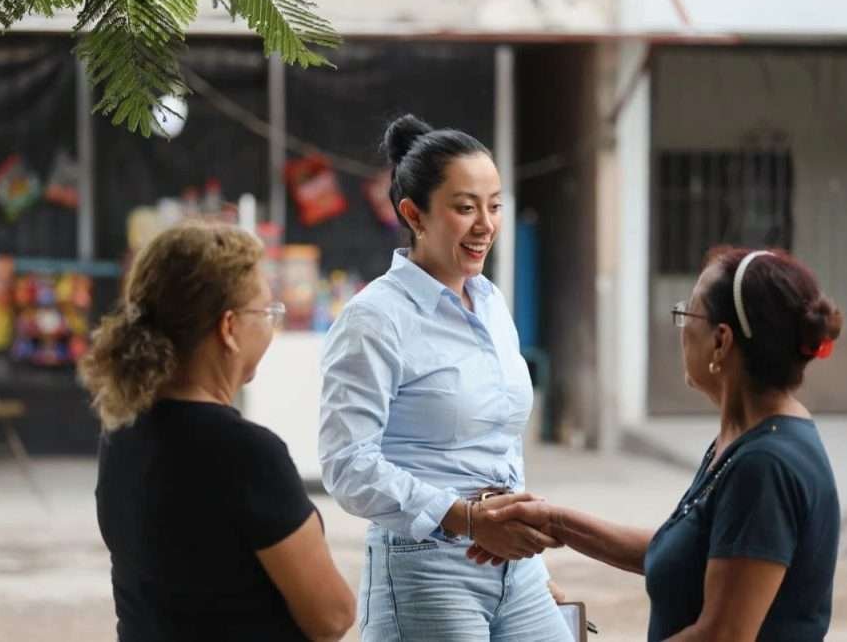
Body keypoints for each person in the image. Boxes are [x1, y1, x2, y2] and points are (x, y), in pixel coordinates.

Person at [483, 247, 842, 641]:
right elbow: (681, 553)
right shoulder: (743, 438)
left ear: (721, 341)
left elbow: (722, 635)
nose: (682, 329)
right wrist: (556, 523)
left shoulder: (767, 466)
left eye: (689, 314)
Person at [318, 114, 571, 640]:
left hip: (513, 568)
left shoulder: (491, 302)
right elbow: (347, 465)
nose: (486, 225)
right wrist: (464, 518)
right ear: (414, 214)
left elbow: (500, 446)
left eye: (494, 205)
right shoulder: (375, 318)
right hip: (426, 569)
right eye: (465, 207)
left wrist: (531, 565)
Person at [82, 221, 355, 642]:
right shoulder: (248, 454)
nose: (271, 325)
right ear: (229, 328)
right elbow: (333, 616)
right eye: (266, 313)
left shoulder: (121, 433)